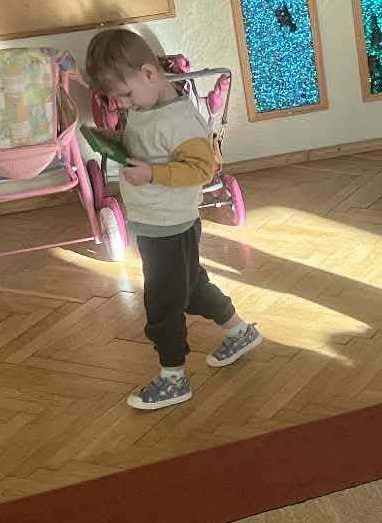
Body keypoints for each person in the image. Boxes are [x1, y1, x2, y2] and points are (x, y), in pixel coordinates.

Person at [84, 28, 262, 412]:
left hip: (170, 226)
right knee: (191, 287)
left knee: (163, 304)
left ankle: (173, 377)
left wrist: (153, 174)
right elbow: (147, 145)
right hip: (155, 223)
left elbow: (201, 169)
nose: (122, 104)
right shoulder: (145, 108)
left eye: (125, 95)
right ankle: (239, 331)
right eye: (116, 99)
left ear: (150, 74)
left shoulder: (180, 121)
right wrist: (117, 141)